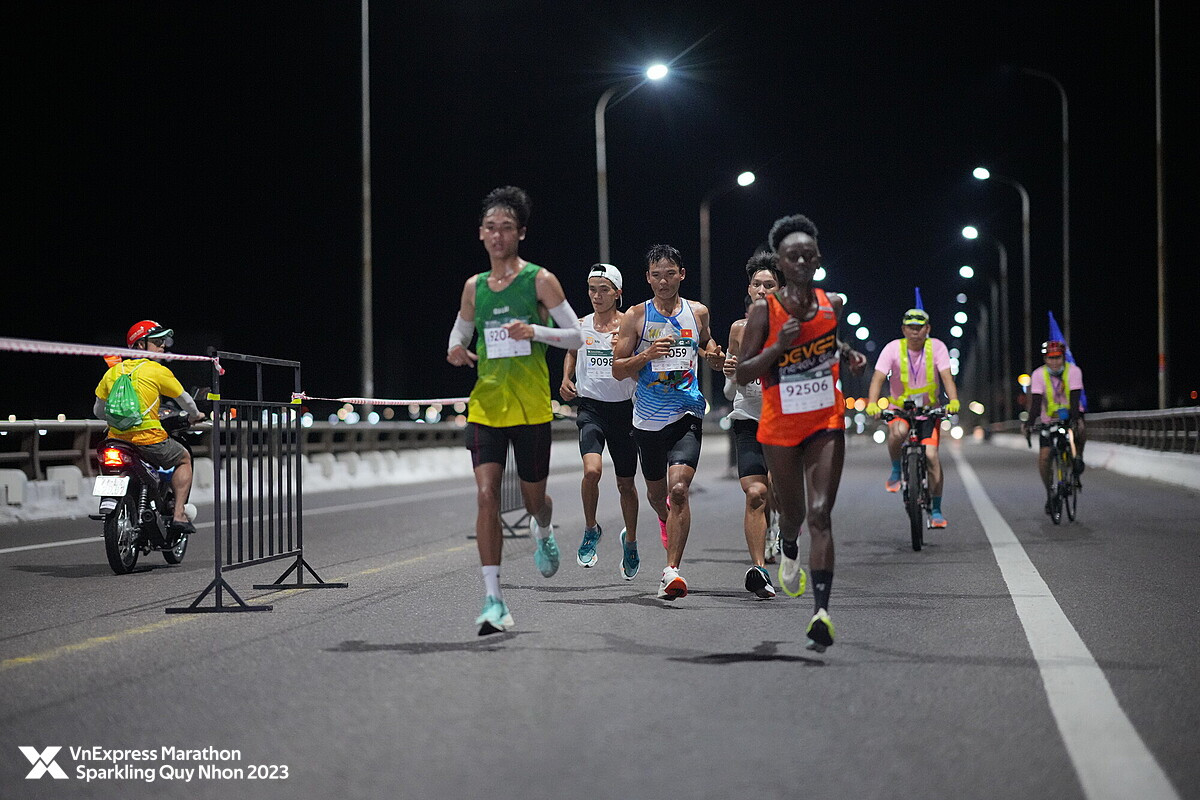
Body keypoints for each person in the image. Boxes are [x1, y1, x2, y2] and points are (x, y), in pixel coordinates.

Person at [446, 186, 583, 635]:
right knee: (486, 494)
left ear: (520, 233)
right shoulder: (475, 287)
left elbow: (576, 336)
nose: (498, 235)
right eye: (491, 227)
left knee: (531, 499)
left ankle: (543, 528)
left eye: (507, 227)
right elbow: (461, 332)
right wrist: (455, 350)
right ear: (481, 235)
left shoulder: (539, 280)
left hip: (529, 409)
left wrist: (536, 333)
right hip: (486, 405)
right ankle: (494, 599)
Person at [736, 214, 867, 652]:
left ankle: (821, 614)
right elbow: (742, 373)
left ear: (817, 259)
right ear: (782, 262)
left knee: (821, 513)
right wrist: (777, 346)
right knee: (792, 516)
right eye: (793, 256)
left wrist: (846, 354)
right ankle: (787, 543)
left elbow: (828, 344)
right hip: (778, 424)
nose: (802, 262)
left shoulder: (832, 305)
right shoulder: (765, 310)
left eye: (809, 255)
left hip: (825, 419)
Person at [612, 244, 726, 601]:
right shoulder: (635, 316)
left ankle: (671, 571)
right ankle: (665, 521)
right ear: (647, 278)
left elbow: (708, 346)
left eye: (670, 274)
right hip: (647, 420)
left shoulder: (698, 312)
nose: (664, 281)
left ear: (682, 275)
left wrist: (715, 356)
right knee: (657, 494)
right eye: (656, 275)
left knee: (679, 491)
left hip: (688, 412)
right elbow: (618, 369)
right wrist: (647, 354)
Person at [560, 263, 641, 579]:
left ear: (618, 293)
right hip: (591, 409)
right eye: (592, 289)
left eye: (604, 289)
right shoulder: (580, 325)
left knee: (626, 484)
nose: (596, 295)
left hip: (623, 412)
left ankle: (630, 542)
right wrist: (566, 378)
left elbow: (642, 364)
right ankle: (591, 528)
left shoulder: (630, 326)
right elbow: (571, 350)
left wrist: (624, 353)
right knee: (591, 471)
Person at [93, 321, 206, 537]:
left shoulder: (113, 372)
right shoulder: (157, 371)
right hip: (149, 440)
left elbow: (98, 411)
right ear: (139, 346)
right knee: (183, 458)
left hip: (115, 441)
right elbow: (186, 401)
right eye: (156, 342)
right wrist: (195, 416)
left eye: (162, 341)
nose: (162, 346)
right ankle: (179, 513)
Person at [722, 251, 784, 599]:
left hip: (782, 423)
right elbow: (732, 389)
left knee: (778, 492)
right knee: (756, 493)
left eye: (770, 285)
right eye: (757, 284)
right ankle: (760, 570)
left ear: (781, 289)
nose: (762, 290)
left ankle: (783, 531)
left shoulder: (791, 328)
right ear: (749, 289)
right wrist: (731, 376)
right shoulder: (738, 330)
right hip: (747, 419)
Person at [865, 307, 960, 528]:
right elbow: (878, 378)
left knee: (932, 455)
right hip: (900, 409)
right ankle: (897, 469)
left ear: (928, 329)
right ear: (903, 329)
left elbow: (947, 377)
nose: (915, 332)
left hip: (928, 412)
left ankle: (936, 510)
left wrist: (953, 400)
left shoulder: (937, 347)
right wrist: (872, 403)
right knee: (898, 433)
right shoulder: (892, 348)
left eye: (920, 328)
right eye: (911, 327)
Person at [1025, 339, 1087, 509]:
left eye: (1058, 358)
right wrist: (1029, 423)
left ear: (1063, 358)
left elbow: (1075, 400)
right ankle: (1050, 493)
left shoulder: (1073, 371)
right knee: (1044, 457)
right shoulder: (1038, 375)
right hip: (1049, 419)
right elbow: (1036, 403)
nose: (1054, 362)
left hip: (1072, 413)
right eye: (1050, 358)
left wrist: (1075, 420)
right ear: (1045, 359)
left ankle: (1078, 458)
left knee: (1080, 430)